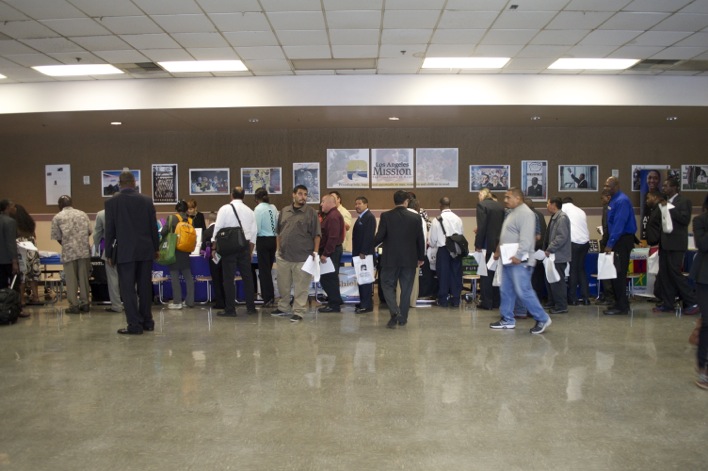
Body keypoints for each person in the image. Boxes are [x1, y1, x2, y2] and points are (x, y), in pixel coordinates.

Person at [489, 188, 552, 334]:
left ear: (518, 198)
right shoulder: (512, 212)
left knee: (523, 291)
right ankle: (507, 319)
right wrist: (499, 251)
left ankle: (542, 318)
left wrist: (519, 255)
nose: (505, 200)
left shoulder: (525, 214)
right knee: (506, 290)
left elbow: (527, 238)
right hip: (509, 260)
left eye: (508, 197)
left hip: (520, 261)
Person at [105, 170, 159, 335]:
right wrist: (156, 248)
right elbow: (153, 228)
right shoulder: (147, 200)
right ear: (134, 183)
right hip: (145, 251)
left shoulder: (112, 203)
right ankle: (147, 321)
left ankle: (134, 325)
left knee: (128, 289)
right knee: (144, 287)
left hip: (125, 252)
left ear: (120, 184)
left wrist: (108, 253)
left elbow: (110, 230)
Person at [373, 190, 425, 329]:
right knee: (406, 288)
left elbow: (379, 237)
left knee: (386, 285)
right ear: (406, 202)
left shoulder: (386, 216)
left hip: (390, 259)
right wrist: (421, 257)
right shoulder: (415, 218)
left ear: (394, 201)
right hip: (409, 259)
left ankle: (394, 312)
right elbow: (420, 239)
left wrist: (368, 246)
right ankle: (403, 318)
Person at [271, 185, 320, 323]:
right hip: (284, 256)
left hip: (303, 258)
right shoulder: (284, 211)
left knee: (301, 287)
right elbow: (278, 233)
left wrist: (315, 252)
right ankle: (283, 307)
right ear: (293, 195)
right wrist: (278, 250)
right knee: (283, 285)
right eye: (300, 194)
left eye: (305, 194)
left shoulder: (311, 213)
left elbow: (317, 234)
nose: (303, 197)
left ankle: (298, 311)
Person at [653, 178, 699, 314]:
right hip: (665, 244)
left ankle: (692, 301)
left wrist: (669, 208)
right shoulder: (664, 202)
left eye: (666, 186)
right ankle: (668, 304)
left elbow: (684, 220)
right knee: (665, 274)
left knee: (675, 272)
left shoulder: (684, 201)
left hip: (676, 244)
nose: (663, 188)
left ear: (674, 187)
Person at [213, 187, 258, 317]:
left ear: (231, 195)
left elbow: (217, 228)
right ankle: (251, 307)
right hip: (244, 247)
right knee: (247, 278)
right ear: (243, 196)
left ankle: (230, 309)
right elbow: (253, 233)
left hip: (228, 248)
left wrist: (214, 246)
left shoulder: (224, 209)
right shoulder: (250, 211)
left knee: (228, 279)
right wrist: (250, 251)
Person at [50, 195, 92, 314]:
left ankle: (73, 305)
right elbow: (89, 231)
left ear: (60, 205)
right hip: (83, 251)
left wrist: (67, 243)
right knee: (84, 278)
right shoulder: (83, 214)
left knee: (71, 279)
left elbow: (57, 237)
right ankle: (85, 304)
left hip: (68, 252)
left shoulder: (57, 217)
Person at [602, 176, 637, 316]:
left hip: (621, 241)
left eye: (607, 185)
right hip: (617, 240)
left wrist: (610, 243)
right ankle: (618, 303)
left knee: (619, 274)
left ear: (616, 185)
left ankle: (622, 306)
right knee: (614, 274)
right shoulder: (614, 199)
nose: (605, 188)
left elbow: (619, 224)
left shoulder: (622, 201)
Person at [429, 197, 464, 307]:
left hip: (443, 250)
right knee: (456, 274)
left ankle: (443, 300)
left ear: (440, 205)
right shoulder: (458, 219)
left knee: (443, 275)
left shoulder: (436, 220)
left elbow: (432, 240)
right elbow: (461, 235)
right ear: (450, 204)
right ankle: (456, 299)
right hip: (456, 249)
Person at [161, 200, 195, 309]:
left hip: (174, 250)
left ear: (176, 209)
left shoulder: (172, 218)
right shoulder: (190, 220)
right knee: (188, 276)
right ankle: (190, 301)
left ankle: (177, 302)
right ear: (186, 210)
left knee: (174, 276)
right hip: (186, 250)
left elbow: (163, 232)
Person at [689, 194, 708, 389]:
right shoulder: (700, 221)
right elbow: (703, 244)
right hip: (704, 278)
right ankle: (702, 368)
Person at [474, 188, 504, 310]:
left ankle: (487, 302)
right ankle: (497, 301)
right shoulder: (500, 206)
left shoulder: (482, 205)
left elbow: (482, 226)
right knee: (496, 273)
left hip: (487, 244)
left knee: (485, 275)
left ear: (482, 195)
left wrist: (478, 244)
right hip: (499, 245)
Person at [543, 197, 571, 314]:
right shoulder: (555, 217)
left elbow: (561, 237)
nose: (547, 206)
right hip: (553, 256)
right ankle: (555, 302)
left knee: (558, 281)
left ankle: (561, 306)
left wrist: (550, 249)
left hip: (559, 256)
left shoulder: (562, 218)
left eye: (548, 203)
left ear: (554, 204)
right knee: (553, 280)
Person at [94, 204, 123, 313]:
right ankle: (133, 303)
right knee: (130, 279)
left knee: (112, 279)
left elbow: (97, 233)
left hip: (110, 250)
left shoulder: (101, 214)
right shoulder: (127, 211)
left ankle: (116, 306)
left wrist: (96, 248)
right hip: (128, 250)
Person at [562, 197, 591, 305]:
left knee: (573, 270)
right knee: (581, 269)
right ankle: (586, 298)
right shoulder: (581, 211)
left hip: (573, 242)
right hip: (585, 242)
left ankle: (573, 299)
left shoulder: (564, 208)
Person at [318, 193, 344, 313]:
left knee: (328, 278)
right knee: (329, 278)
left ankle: (334, 305)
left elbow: (332, 237)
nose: (321, 204)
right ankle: (336, 300)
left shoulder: (333, 216)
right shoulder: (331, 215)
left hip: (331, 252)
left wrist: (325, 254)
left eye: (323, 202)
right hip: (331, 251)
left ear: (329, 202)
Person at [12, 204, 41, 306]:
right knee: (34, 275)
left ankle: (22, 299)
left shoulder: (13, 224)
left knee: (22, 276)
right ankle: (36, 297)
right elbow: (34, 236)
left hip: (21, 251)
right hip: (32, 250)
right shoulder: (29, 222)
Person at [254, 187, 278, 307]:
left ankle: (267, 298)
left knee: (264, 272)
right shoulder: (273, 207)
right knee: (268, 270)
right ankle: (271, 297)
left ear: (256, 198)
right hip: (273, 240)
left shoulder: (258, 209)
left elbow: (256, 228)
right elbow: (277, 223)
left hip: (262, 240)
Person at [352, 196, 375, 314]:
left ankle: (367, 305)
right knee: (361, 279)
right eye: (356, 204)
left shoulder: (369, 217)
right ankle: (363, 302)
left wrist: (363, 252)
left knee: (365, 280)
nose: (357, 206)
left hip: (364, 255)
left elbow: (369, 236)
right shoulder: (361, 217)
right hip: (359, 254)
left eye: (359, 203)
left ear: (366, 204)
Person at [525, 197, 548, 306]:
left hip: (530, 250)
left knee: (530, 278)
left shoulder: (527, 215)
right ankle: (538, 298)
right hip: (540, 250)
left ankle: (531, 301)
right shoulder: (540, 214)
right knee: (538, 277)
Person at [201, 212, 225, 310]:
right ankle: (227, 300)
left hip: (213, 258)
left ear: (209, 220)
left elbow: (203, 248)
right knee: (224, 279)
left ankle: (219, 302)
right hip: (224, 257)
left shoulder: (207, 232)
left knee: (216, 280)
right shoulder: (222, 230)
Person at [596, 190, 615, 306]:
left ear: (608, 197)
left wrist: (604, 241)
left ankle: (610, 297)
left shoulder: (607, 209)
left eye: (602, 198)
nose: (601, 201)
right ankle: (609, 296)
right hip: (610, 242)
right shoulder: (610, 208)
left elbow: (607, 227)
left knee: (607, 272)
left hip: (608, 245)